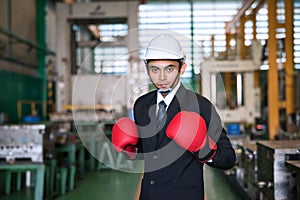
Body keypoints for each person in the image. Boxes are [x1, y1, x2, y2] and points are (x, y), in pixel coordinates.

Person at [112, 33, 236, 200]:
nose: (161, 77)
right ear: (147, 68)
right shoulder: (141, 105)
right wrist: (133, 150)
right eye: (154, 69)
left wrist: (203, 148)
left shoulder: (200, 106)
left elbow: (228, 158)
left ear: (182, 68)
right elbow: (152, 149)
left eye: (169, 69)